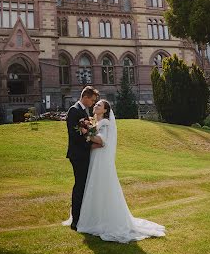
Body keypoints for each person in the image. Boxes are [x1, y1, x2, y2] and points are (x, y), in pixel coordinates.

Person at [77, 99, 165, 243]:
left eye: (99, 105)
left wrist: (86, 133)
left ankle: (102, 220)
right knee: (95, 185)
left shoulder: (105, 123)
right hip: (95, 156)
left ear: (105, 111)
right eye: (96, 104)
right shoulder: (95, 122)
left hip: (101, 159)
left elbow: (102, 140)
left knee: (101, 185)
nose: (96, 106)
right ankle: (95, 216)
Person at [65, 86, 99, 231]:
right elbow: (76, 136)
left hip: (84, 154)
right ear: (85, 97)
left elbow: (86, 133)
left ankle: (83, 217)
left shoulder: (84, 111)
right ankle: (76, 220)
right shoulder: (74, 111)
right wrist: (91, 144)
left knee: (84, 185)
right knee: (79, 186)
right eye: (92, 100)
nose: (92, 103)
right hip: (78, 155)